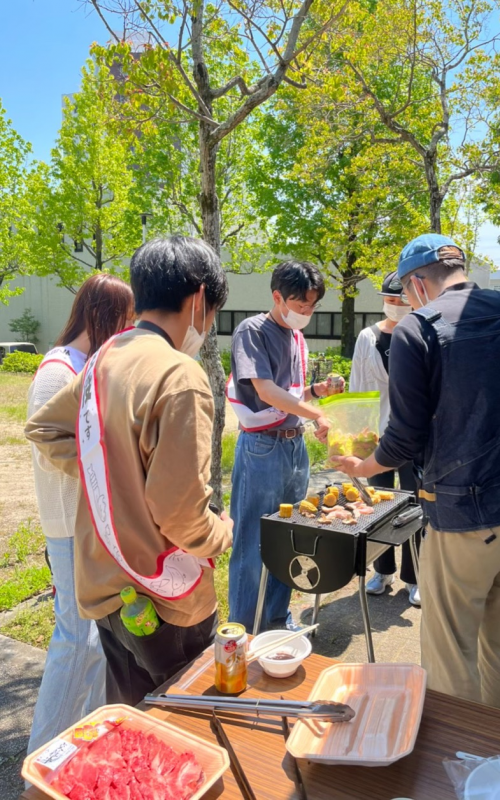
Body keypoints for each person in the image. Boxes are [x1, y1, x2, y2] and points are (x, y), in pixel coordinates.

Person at [333, 233, 500, 715]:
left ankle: (457, 770)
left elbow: (403, 437)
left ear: (418, 283)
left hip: (467, 513)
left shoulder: (416, 329)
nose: (404, 301)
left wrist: (362, 466)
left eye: (405, 290)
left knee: (450, 651)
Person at [26, 236, 233, 706]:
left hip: (105, 588)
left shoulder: (103, 358)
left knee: (133, 726)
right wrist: (222, 534)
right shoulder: (179, 376)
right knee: (185, 730)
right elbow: (179, 515)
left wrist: (109, 475)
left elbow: (45, 429)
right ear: (200, 299)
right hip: (167, 600)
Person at [27, 274, 134, 754]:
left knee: (92, 639)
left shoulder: (81, 364)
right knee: (75, 638)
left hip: (82, 524)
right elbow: (59, 449)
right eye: (124, 319)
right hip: (68, 524)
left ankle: (80, 741)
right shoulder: (57, 370)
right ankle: (43, 755)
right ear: (102, 315)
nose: (128, 329)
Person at [226, 260, 342, 631]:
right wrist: (316, 413)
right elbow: (266, 392)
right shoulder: (253, 331)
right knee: (253, 543)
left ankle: (276, 620)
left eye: (312, 308)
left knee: (289, 539)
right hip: (262, 446)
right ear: (278, 297)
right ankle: (244, 632)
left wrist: (317, 393)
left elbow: (289, 396)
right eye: (300, 306)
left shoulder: (296, 336)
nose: (306, 314)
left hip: (294, 446)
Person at [350, 270, 421, 604]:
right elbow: (358, 388)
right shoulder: (369, 337)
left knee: (414, 507)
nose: (395, 306)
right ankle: (382, 570)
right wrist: (354, 438)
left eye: (401, 301)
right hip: (377, 437)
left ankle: (414, 576)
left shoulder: (422, 334)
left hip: (415, 438)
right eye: (390, 301)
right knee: (377, 505)